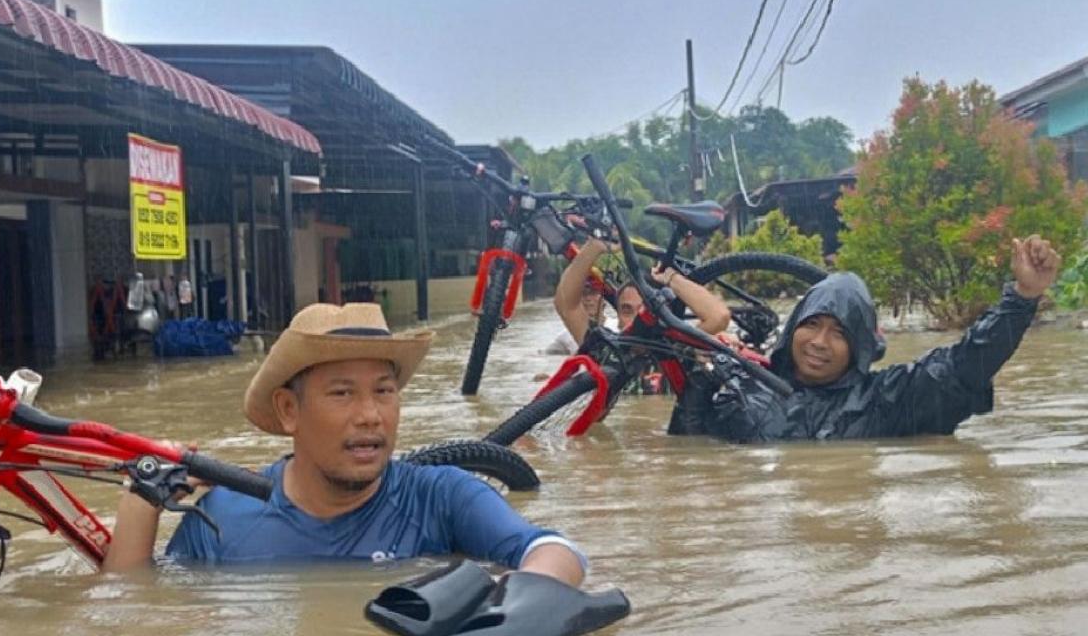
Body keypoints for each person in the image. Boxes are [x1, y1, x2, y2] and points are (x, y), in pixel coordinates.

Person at [104, 302, 587, 586]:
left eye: (384, 391)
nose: (371, 415)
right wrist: (141, 503)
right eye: (342, 394)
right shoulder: (223, 519)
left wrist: (506, 613)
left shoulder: (441, 497)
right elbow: (136, 606)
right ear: (289, 410)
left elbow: (554, 551)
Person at [670, 235, 1062, 442]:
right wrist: (698, 381)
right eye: (812, 325)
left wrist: (1022, 298)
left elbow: (965, 366)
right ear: (793, 328)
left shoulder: (887, 401)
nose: (819, 342)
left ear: (859, 346)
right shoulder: (742, 385)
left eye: (839, 333)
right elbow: (687, 454)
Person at [554, 238, 731, 345]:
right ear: (618, 319)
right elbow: (565, 305)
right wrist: (594, 246)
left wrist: (672, 279)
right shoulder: (608, 354)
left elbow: (719, 317)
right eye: (627, 310)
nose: (637, 319)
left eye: (645, 310)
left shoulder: (678, 352)